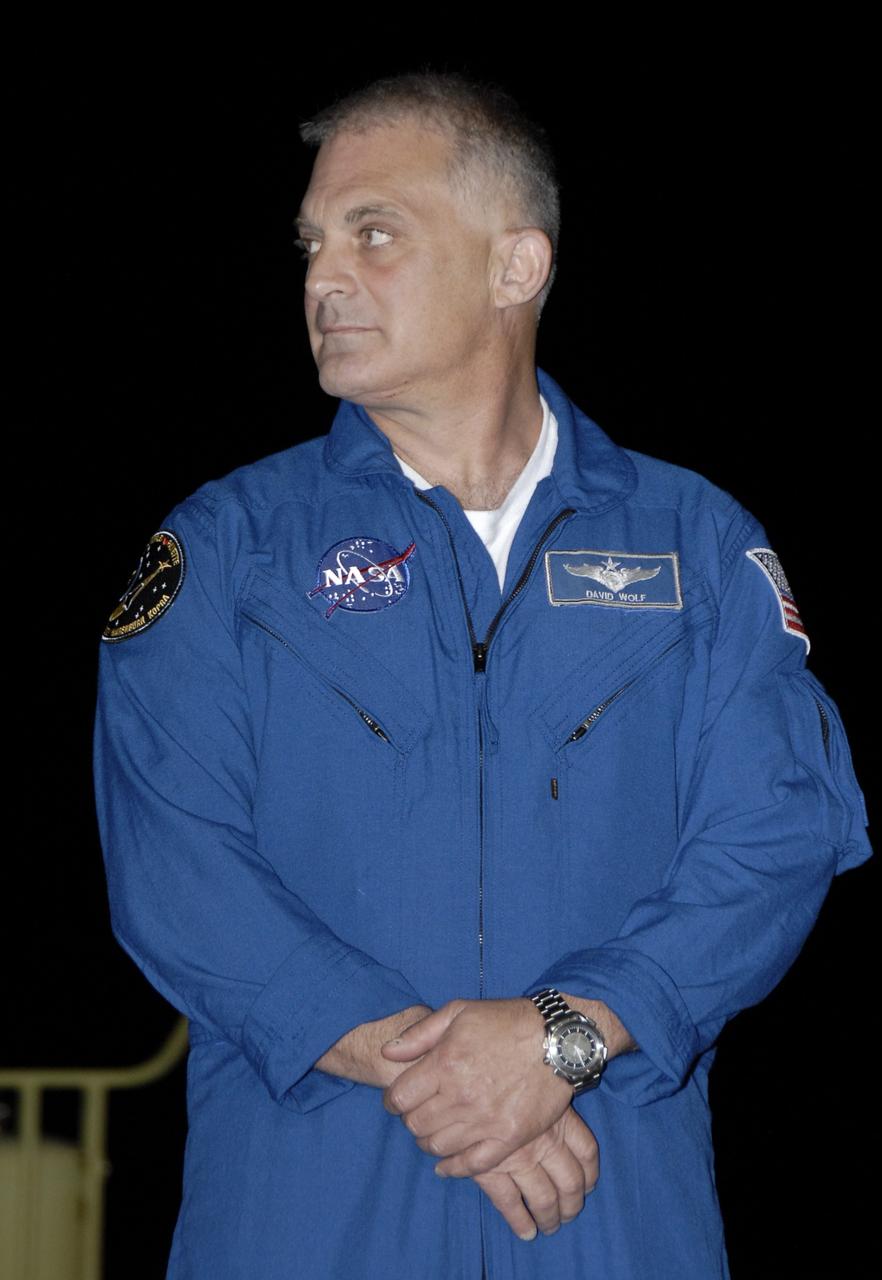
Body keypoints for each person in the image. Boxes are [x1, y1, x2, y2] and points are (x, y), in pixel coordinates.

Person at [93, 71, 872, 1279]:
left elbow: (775, 835)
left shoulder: (693, 543)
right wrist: (457, 1074)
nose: (321, 278)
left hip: (609, 1217)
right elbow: (175, 869)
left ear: (518, 266)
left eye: (375, 233)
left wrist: (563, 1039)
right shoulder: (229, 550)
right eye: (311, 242)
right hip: (304, 1219)